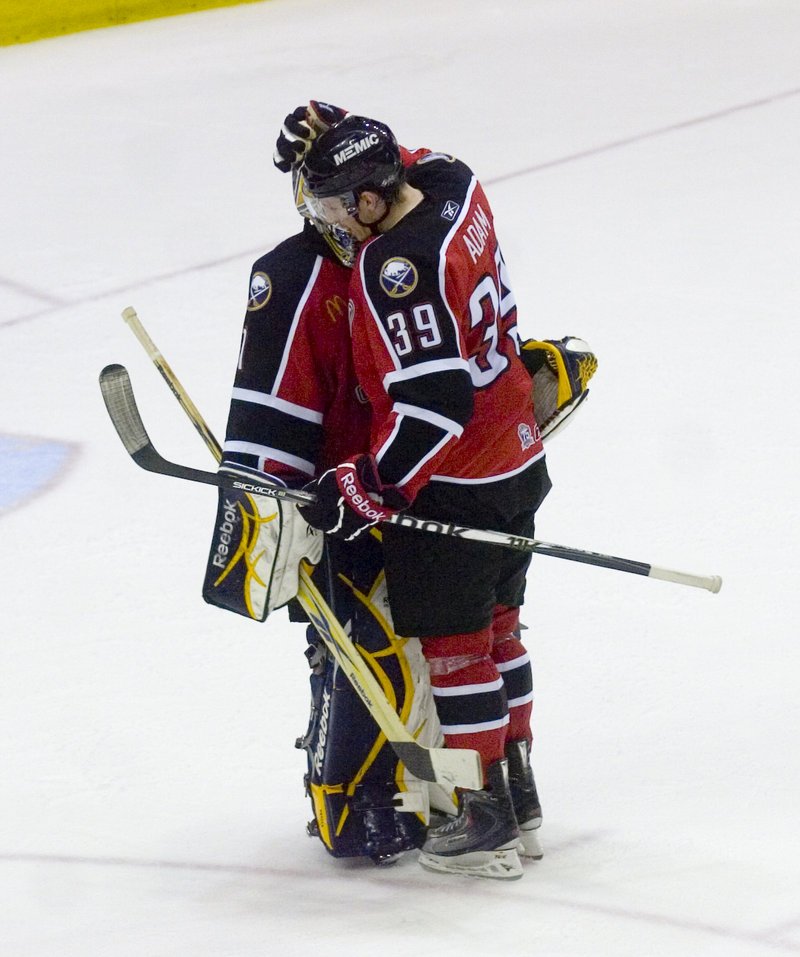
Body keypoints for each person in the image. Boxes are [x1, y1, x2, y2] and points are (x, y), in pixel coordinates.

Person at [295, 113, 552, 880]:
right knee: (503, 631)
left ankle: (480, 820)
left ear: (372, 200)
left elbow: (435, 405)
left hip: (456, 486)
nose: (331, 220)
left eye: (339, 203)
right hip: (520, 458)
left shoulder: (393, 270)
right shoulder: (453, 183)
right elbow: (412, 154)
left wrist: (369, 485)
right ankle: (520, 792)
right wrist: (341, 133)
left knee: (457, 652)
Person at [201, 104, 446, 863]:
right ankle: (351, 793)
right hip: (345, 502)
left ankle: (445, 782)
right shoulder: (294, 276)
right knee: (356, 646)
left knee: (445, 638)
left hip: (417, 481)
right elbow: (266, 415)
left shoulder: (412, 223)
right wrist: (265, 508)